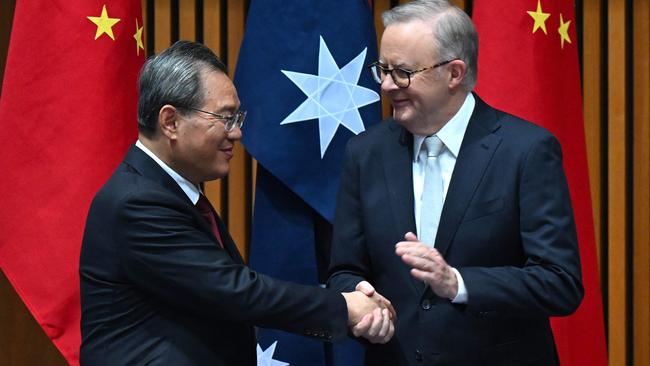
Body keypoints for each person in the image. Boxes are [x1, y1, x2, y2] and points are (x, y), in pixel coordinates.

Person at [79, 40, 394, 366]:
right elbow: (235, 291)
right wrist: (344, 307)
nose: (237, 134)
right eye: (225, 118)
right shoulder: (138, 203)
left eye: (237, 118)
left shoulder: (172, 192)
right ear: (171, 122)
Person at [327, 1, 584, 365]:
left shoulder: (526, 151)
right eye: (382, 70)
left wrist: (458, 283)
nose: (386, 85)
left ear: (454, 73)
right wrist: (363, 303)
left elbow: (560, 283)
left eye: (402, 72)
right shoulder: (365, 153)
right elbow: (345, 271)